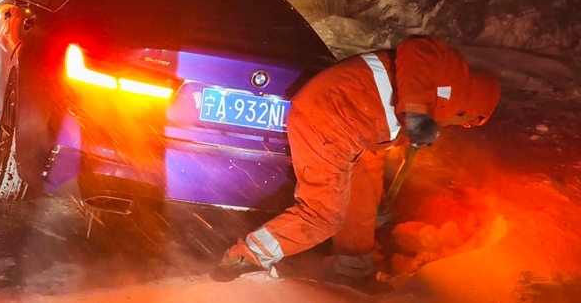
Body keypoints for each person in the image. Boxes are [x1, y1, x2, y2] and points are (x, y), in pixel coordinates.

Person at [211, 36, 501, 293]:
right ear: (473, 111)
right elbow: (417, 48)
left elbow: (377, 143)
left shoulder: (428, 107)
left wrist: (378, 203)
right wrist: (416, 114)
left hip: (352, 133)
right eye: (469, 123)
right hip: (329, 118)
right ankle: (245, 257)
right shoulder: (449, 70)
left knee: (360, 200)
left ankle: (354, 273)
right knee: (322, 215)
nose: (463, 127)